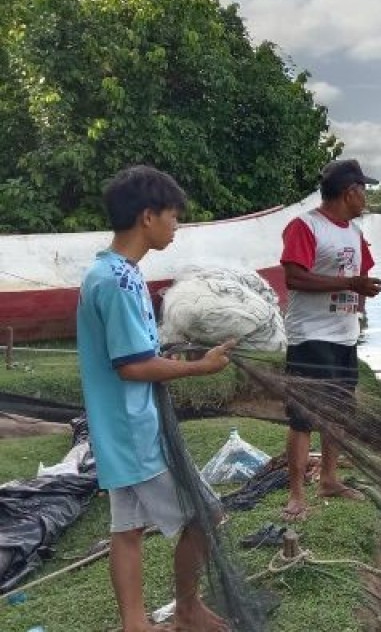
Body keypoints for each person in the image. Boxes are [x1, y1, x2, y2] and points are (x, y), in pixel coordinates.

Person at [77, 165, 235, 632]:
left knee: (126, 529)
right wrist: (199, 367)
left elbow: (133, 353)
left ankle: (135, 624)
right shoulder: (120, 281)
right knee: (207, 513)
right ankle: (187, 609)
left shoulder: (106, 271)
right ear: (147, 216)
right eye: (173, 215)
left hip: (116, 427)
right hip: (134, 429)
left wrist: (170, 356)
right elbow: (131, 366)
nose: (176, 225)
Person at [280, 159, 381, 521]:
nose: (366, 197)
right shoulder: (305, 226)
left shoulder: (354, 231)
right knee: (303, 417)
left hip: (344, 336)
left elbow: (360, 274)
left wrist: (363, 292)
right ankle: (296, 495)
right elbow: (294, 278)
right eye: (364, 190)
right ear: (349, 192)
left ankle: (329, 479)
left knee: (338, 412)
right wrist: (350, 283)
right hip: (310, 336)